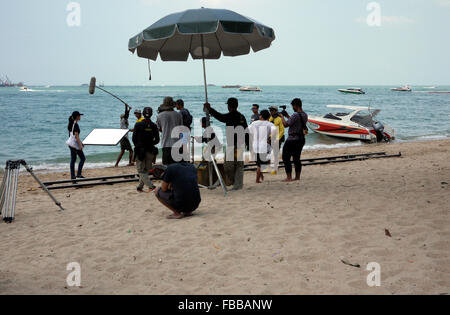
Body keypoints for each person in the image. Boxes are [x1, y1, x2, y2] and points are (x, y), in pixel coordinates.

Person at [204, 98, 249, 190]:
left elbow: (220, 117)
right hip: (239, 144)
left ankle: (235, 184)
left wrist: (210, 109)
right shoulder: (241, 116)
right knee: (238, 165)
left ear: (229, 106)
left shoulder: (234, 116)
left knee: (229, 166)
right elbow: (246, 130)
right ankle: (237, 184)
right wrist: (248, 142)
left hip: (233, 145)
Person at [280, 98, 309, 182]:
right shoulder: (305, 114)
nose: (292, 108)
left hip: (292, 139)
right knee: (296, 158)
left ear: (295, 105)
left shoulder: (295, 115)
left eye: (293, 106)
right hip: (301, 139)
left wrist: (282, 117)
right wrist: (287, 116)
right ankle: (297, 177)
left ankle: (289, 177)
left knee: (285, 157)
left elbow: (286, 124)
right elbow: (296, 122)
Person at [132, 107, 160, 192]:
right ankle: (140, 187)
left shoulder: (138, 125)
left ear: (143, 114)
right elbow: (157, 140)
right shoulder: (154, 126)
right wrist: (151, 144)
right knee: (146, 170)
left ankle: (151, 186)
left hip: (140, 150)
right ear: (151, 114)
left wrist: (139, 145)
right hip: (150, 150)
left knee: (141, 170)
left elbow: (134, 139)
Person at [248, 110, 276, 184]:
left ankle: (261, 176)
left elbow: (248, 131)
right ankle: (257, 180)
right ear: (268, 117)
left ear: (261, 116)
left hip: (255, 146)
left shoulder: (254, 123)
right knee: (261, 164)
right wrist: (269, 139)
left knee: (259, 164)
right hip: (264, 146)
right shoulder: (270, 124)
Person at [156, 97, 183, 165]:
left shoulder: (160, 116)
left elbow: (159, 129)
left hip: (166, 144)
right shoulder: (178, 115)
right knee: (177, 166)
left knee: (167, 167)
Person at [67, 111, 86, 180]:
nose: (80, 117)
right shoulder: (75, 125)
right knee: (82, 158)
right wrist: (80, 145)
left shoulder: (71, 123)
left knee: (73, 159)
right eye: (79, 116)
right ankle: (78, 174)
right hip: (74, 144)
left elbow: (72, 136)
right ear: (77, 117)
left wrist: (81, 143)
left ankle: (73, 176)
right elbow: (76, 136)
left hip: (71, 143)